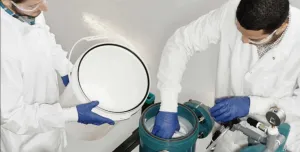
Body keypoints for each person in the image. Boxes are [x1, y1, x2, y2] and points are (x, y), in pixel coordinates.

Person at [152, 0, 300, 151]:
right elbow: (181, 43)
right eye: (239, 31)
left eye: (254, 39)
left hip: (276, 136)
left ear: (282, 26)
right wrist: (168, 106)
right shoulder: (232, 9)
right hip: (228, 135)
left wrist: (252, 105)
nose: (243, 40)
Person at [1, 0, 115, 151]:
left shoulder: (28, 12)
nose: (44, 8)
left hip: (51, 128)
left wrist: (65, 69)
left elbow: (45, 37)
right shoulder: (5, 48)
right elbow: (12, 117)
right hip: (25, 142)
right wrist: (72, 114)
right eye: (33, 5)